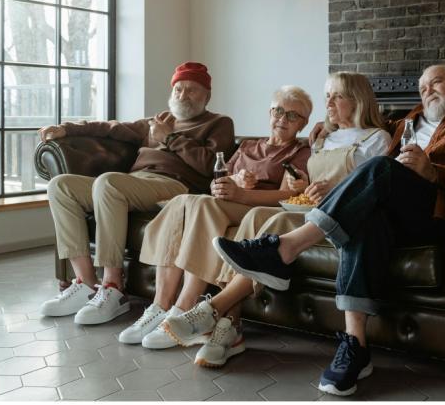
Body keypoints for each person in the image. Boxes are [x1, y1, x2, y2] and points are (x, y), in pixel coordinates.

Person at [213, 64, 445, 395]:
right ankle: (355, 346)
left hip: (435, 213)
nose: (427, 90)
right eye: (421, 87)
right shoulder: (405, 122)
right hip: (392, 215)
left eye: (436, 82)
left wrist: (435, 173)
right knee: (365, 217)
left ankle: (284, 247)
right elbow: (361, 125)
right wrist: (328, 125)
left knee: (380, 167)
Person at [159, 71, 392, 368]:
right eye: (327, 96)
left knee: (265, 217)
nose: (329, 103)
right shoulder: (322, 137)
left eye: (338, 96)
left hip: (338, 217)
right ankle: (226, 326)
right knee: (253, 214)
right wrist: (299, 184)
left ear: (358, 100)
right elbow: (307, 180)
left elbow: (368, 186)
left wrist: (330, 190)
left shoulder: (377, 139)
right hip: (306, 208)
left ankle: (214, 310)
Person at [114, 86, 313, 350]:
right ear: (269, 112)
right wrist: (234, 180)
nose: (282, 119)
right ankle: (161, 307)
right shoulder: (247, 146)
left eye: (292, 116)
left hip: (258, 207)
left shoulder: (301, 152)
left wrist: (242, 193)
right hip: (230, 202)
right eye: (278, 111)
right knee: (189, 201)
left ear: (304, 123)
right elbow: (217, 183)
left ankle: (182, 310)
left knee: (202, 205)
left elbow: (292, 196)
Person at [38, 62, 235, 326]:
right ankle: (86, 282)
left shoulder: (218, 123)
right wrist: (69, 129)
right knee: (60, 186)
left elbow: (210, 164)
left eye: (192, 89)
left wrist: (170, 139)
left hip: (175, 188)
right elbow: (110, 128)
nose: (183, 95)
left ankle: (113, 287)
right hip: (133, 183)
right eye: (178, 88)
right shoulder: (156, 122)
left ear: (207, 95)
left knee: (108, 183)